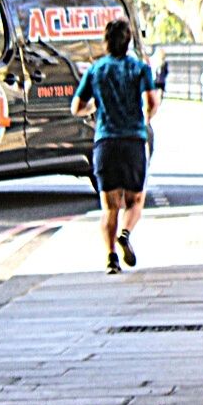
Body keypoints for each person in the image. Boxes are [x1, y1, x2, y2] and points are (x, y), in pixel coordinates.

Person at [73, 17, 160, 276]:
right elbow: (151, 101)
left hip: (106, 143)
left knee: (109, 207)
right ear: (128, 41)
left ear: (106, 42)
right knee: (135, 200)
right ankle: (125, 233)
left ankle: (110, 258)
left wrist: (94, 108)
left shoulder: (96, 70)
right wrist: (145, 119)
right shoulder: (140, 69)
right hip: (133, 141)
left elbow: (76, 107)